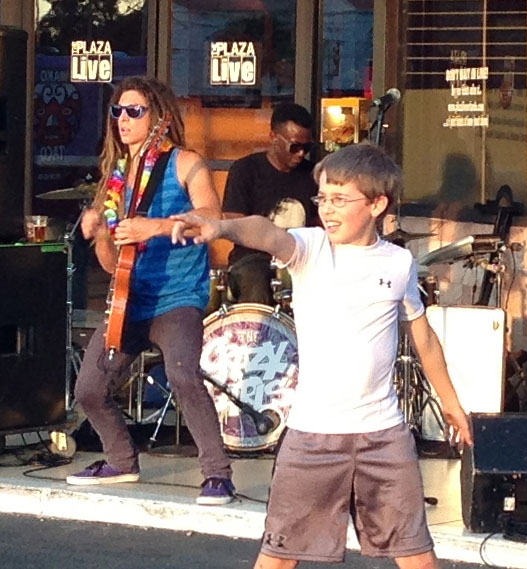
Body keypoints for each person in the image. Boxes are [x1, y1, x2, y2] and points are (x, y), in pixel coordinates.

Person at [170, 143, 474, 569]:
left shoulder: (399, 262)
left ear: (376, 204)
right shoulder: (311, 249)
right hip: (313, 439)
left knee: (418, 557)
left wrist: (452, 403)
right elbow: (266, 232)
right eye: (323, 198)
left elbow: (423, 339)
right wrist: (221, 227)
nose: (327, 210)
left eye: (339, 200)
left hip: (384, 437)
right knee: (277, 558)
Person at [66, 77, 235, 505]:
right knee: (88, 388)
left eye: (134, 111)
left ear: (157, 116)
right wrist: (101, 233)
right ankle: (121, 460)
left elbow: (210, 217)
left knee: (182, 374)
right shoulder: (115, 179)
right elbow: (111, 264)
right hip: (128, 298)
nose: (123, 119)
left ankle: (217, 474)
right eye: (117, 111)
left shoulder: (185, 162)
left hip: (177, 297)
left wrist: (155, 226)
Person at [223, 103, 319, 304]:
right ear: (273, 137)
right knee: (256, 279)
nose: (301, 154)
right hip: (253, 258)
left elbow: (321, 223)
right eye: (295, 146)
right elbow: (234, 222)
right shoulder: (245, 170)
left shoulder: (314, 175)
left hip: (301, 257)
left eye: (307, 147)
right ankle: (259, 332)